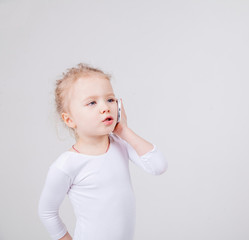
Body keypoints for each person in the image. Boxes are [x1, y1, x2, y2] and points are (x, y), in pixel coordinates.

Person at [38, 63, 167, 240]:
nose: (105, 107)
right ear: (69, 119)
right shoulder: (66, 165)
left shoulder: (121, 144)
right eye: (92, 102)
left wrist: (124, 131)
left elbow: (158, 166)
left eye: (110, 99)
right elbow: (47, 212)